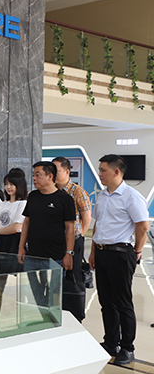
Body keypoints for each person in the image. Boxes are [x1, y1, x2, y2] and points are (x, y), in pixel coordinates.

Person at [89, 154, 148, 366]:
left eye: (103, 170)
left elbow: (143, 226)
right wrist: (93, 252)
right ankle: (110, 342)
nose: (100, 174)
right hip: (102, 253)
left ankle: (127, 348)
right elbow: (98, 225)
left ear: (116, 172)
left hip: (121, 253)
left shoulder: (131, 196)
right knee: (106, 302)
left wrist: (137, 251)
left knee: (123, 303)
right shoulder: (103, 196)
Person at [18, 161, 75, 322]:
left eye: (38, 175)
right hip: (32, 255)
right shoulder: (33, 196)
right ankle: (41, 319)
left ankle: (52, 322)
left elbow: (70, 228)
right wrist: (21, 247)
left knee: (53, 295)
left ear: (50, 176)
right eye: (33, 175)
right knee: (33, 292)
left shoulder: (65, 199)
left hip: (54, 257)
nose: (34, 178)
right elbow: (27, 222)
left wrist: (69, 253)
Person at [0, 169, 27, 331]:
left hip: (15, 243)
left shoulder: (22, 203)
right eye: (6, 184)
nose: (9, 187)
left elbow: (17, 227)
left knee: (21, 286)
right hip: (1, 243)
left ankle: (22, 320)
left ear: (19, 185)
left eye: (12, 184)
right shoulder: (3, 204)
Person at [52, 156, 91, 323]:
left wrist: (78, 235)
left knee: (72, 277)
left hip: (73, 240)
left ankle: (74, 315)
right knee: (55, 278)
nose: (53, 174)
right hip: (55, 241)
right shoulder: (51, 190)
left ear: (67, 171)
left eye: (57, 170)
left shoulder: (77, 192)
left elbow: (86, 217)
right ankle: (56, 311)